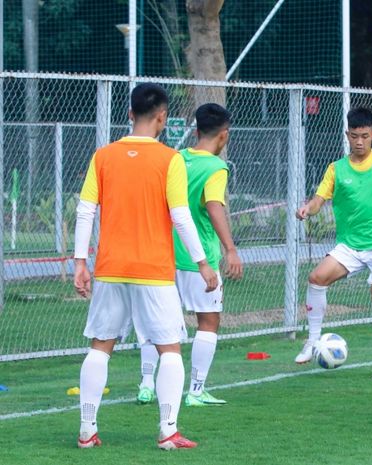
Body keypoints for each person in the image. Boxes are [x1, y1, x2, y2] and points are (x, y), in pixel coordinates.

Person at [73, 83, 218, 450]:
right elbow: (181, 216)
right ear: (162, 117)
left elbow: (85, 210)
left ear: (129, 114)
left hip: (109, 268)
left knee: (100, 346)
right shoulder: (170, 159)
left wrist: (79, 262)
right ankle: (168, 431)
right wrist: (202, 263)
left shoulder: (103, 156)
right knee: (169, 348)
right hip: (153, 271)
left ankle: (87, 430)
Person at [294, 107, 372, 380]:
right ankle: (313, 341)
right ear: (346, 135)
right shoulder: (336, 168)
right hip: (350, 245)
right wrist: (307, 209)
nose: (359, 142)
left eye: (364, 136)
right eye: (353, 136)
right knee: (316, 278)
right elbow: (319, 200)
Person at [137, 103, 243, 407]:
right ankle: (196, 391)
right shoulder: (216, 168)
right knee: (208, 322)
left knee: (154, 324)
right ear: (224, 135)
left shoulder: (175, 158)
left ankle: (146, 385)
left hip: (165, 257)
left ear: (196, 131)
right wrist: (230, 250)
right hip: (201, 260)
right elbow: (213, 205)